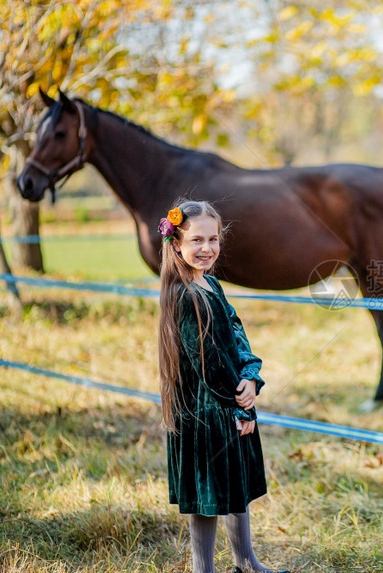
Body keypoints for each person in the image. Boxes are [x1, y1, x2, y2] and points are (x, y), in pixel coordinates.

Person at [157, 200, 287, 573]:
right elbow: (208, 364)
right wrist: (240, 406)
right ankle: (204, 570)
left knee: (234, 484)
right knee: (207, 496)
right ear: (177, 243)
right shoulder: (183, 296)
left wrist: (250, 376)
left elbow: (235, 331)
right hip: (206, 410)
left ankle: (246, 562)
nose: (207, 248)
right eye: (196, 240)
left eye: (213, 239)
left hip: (229, 399)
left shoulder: (210, 283)